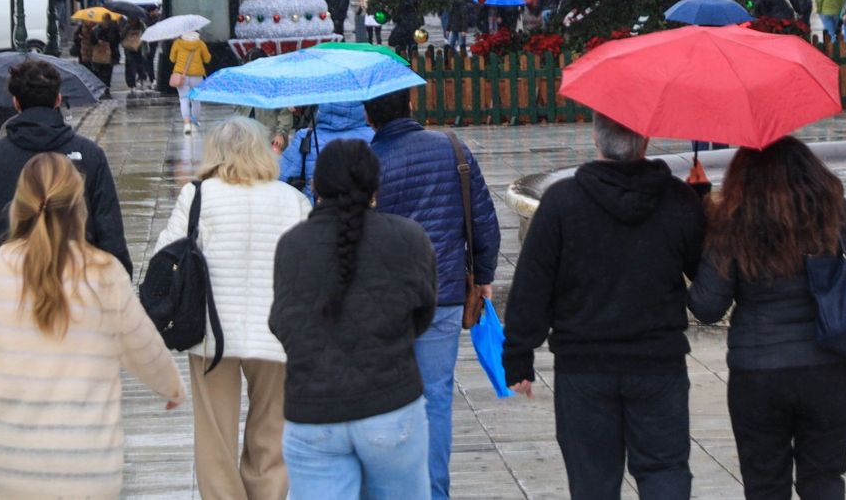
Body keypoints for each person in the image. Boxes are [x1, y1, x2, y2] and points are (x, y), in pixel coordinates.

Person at [0, 153, 185, 498]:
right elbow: (141, 346)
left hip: (12, 458)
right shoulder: (104, 271)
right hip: (88, 458)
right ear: (77, 204)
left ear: (19, 201)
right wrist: (169, 386)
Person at [503, 112, 704, 499]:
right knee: (665, 469)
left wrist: (518, 357)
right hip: (658, 365)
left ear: (596, 139)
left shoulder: (562, 201)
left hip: (584, 368)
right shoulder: (678, 200)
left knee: (592, 478)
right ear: (645, 141)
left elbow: (533, 284)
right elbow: (702, 273)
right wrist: (699, 206)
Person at [688, 136, 846, 500]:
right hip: (829, 368)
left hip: (758, 374)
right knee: (824, 480)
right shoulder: (836, 211)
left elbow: (708, 307)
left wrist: (700, 220)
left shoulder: (733, 221)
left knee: (765, 487)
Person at [270, 140, 437, 499]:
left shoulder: (292, 245)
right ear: (376, 187)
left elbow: (282, 324)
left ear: (315, 186)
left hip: (313, 412)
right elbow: (423, 314)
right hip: (390, 405)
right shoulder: (409, 237)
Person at [155, 117, 311, 500]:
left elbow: (165, 255)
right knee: (272, 431)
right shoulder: (292, 199)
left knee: (214, 435)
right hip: (276, 333)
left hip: (210, 332)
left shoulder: (197, 196)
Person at [363, 88, 501, 500]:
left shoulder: (368, 163)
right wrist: (483, 274)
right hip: (442, 294)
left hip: (385, 301)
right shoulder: (453, 149)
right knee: (436, 396)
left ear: (370, 118)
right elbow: (483, 220)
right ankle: (433, 491)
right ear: (410, 104)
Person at [0, 59, 132, 274]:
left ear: (16, 103)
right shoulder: (89, 154)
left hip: (8, 281)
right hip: (77, 280)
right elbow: (109, 228)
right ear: (58, 99)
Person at [278, 101, 374, 202]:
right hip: (363, 211)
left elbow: (281, 179)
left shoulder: (306, 137)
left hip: (315, 210)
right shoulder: (375, 137)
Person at [233, 49, 294, 150]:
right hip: (246, 136)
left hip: (270, 137)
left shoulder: (274, 84)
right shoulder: (244, 85)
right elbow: (238, 110)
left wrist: (281, 133)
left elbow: (285, 112)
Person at [169, 30, 211, 135]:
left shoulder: (177, 43)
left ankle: (186, 124)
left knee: (184, 99)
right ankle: (194, 122)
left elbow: (172, 59)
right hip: (197, 76)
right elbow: (207, 59)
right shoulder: (200, 43)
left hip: (181, 75)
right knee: (195, 100)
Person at [122, 13, 152, 93]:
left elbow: (146, 35)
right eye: (131, 19)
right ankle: (132, 84)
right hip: (129, 50)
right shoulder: (127, 26)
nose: (132, 21)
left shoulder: (142, 25)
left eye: (133, 19)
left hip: (140, 49)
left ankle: (142, 80)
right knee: (130, 68)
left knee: (141, 66)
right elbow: (122, 36)